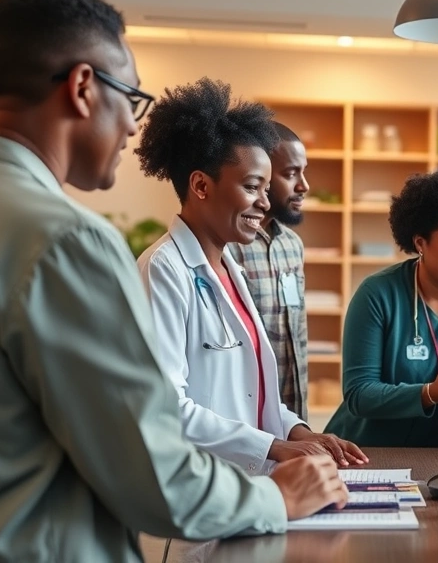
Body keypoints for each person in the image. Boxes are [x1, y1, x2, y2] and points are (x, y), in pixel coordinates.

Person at [0, 0, 345, 560]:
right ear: (82, 87)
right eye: (131, 97)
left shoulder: (228, 262)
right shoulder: (67, 240)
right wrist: (275, 497)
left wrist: (292, 435)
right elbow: (146, 460)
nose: (133, 127)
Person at [136, 78, 365, 471]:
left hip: (247, 483)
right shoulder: (164, 270)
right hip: (198, 485)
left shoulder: (230, 269)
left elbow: (251, 394)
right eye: (252, 186)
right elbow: (165, 406)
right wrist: (273, 447)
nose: (264, 201)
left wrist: (300, 433)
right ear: (201, 185)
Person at [324, 166, 438, 446]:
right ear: (421, 243)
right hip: (366, 451)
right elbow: (359, 394)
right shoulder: (377, 294)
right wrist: (431, 393)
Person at [229, 122, 311, 421]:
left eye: (303, 171)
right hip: (246, 421)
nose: (304, 185)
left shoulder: (292, 244)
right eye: (290, 174)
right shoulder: (226, 246)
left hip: (293, 418)